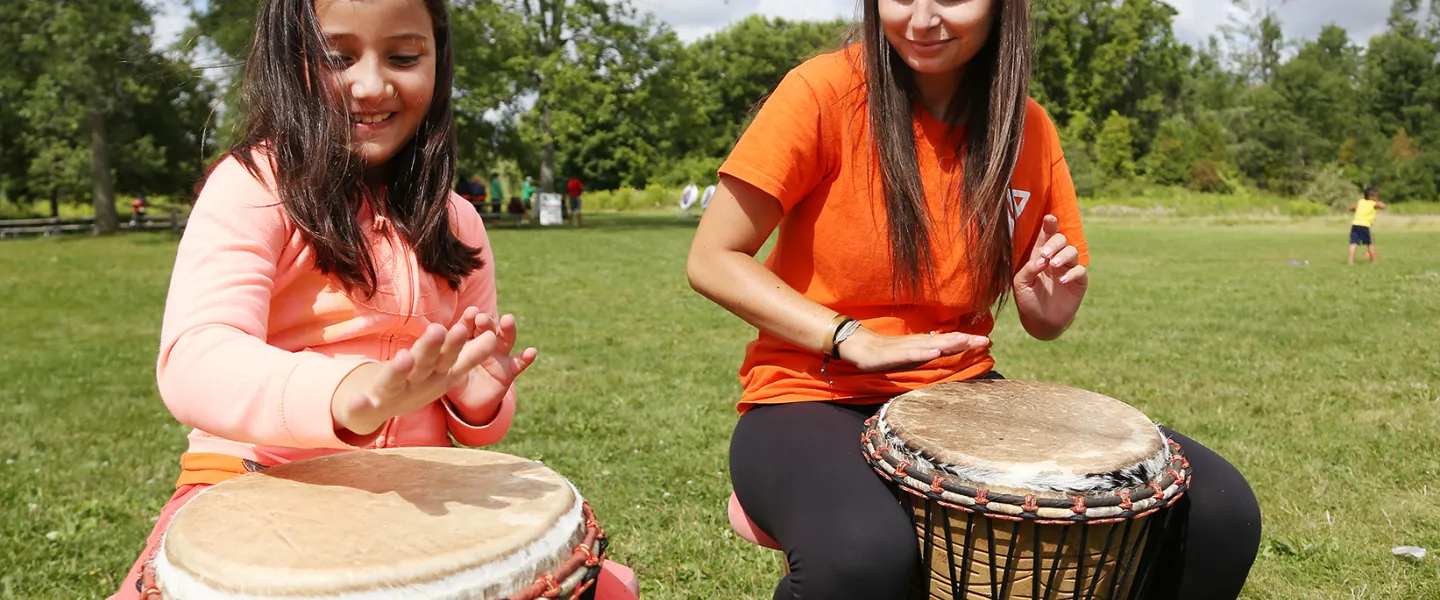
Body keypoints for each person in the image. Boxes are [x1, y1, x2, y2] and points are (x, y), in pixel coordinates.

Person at [685, 1, 1261, 599]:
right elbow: (713, 258)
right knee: (863, 550)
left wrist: (1048, 306)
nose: (922, 18)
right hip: (807, 394)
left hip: (961, 396)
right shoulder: (823, 92)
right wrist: (854, 339)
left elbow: (1045, 315)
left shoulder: (1027, 129)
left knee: (1220, 511)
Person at [105, 1, 641, 598]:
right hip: (246, 482)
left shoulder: (458, 221)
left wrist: (479, 399)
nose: (371, 84)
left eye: (404, 56)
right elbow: (196, 359)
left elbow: (478, 424)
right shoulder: (251, 187)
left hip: (419, 490)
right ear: (291, 56)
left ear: (439, 59)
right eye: (338, 56)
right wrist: (343, 394)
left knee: (612, 588)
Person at [1348, 186, 1386, 265]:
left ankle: (1350, 261)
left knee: (1353, 243)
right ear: (1372, 196)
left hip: (1355, 224)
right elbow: (1383, 206)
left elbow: (1351, 208)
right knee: (1370, 244)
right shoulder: (1373, 203)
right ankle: (1374, 261)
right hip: (1364, 225)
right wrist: (1376, 201)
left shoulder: (1360, 202)